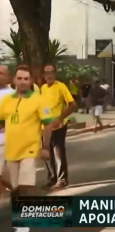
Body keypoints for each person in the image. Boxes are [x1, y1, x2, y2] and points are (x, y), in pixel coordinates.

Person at [0, 66, 54, 197]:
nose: (23, 81)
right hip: (11, 151)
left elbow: (48, 124)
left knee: (26, 186)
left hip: (30, 150)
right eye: (19, 78)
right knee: (16, 188)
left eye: (26, 78)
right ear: (14, 80)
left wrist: (45, 147)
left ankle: (28, 214)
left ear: (31, 81)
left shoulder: (39, 100)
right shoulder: (6, 100)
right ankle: (22, 213)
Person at [41, 64, 77, 190]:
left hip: (59, 126)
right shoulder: (43, 88)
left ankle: (62, 179)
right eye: (46, 73)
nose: (49, 75)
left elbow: (72, 104)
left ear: (55, 74)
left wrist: (60, 118)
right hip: (45, 127)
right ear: (43, 75)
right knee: (47, 153)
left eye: (51, 72)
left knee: (58, 153)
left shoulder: (61, 86)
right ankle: (52, 177)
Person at [0, 65, 14, 195]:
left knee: (14, 177)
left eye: (1, 73)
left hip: (10, 141)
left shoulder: (13, 95)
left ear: (8, 77)